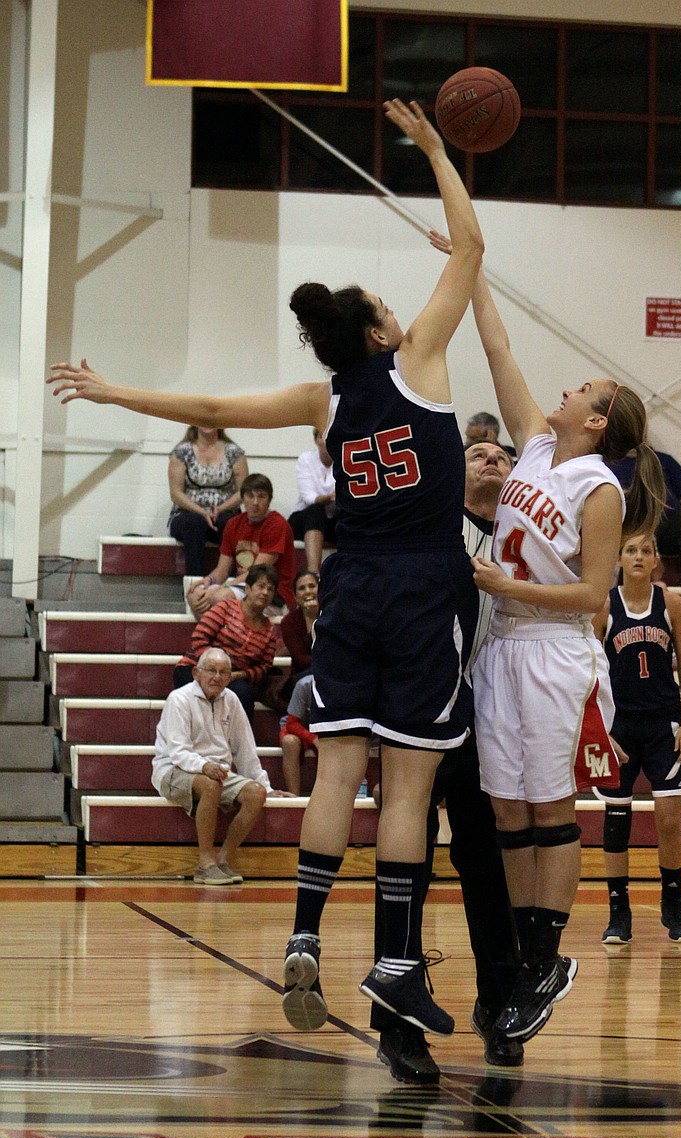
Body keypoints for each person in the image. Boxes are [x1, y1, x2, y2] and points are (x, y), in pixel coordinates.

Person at [48, 96, 485, 1041]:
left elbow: (209, 406)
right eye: (389, 310)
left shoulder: (322, 400)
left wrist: (110, 388)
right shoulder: (421, 362)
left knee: (337, 775)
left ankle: (303, 936)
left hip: (351, 590)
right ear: (381, 333)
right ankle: (395, 965)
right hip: (423, 585)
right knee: (408, 789)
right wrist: (434, 149)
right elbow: (471, 247)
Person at [446, 238, 665, 1046]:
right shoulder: (536, 443)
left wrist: (507, 587)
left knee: (549, 805)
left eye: (582, 389)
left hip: (552, 646)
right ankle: (520, 950)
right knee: (506, 807)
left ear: (598, 420)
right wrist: (468, 267)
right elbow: (497, 345)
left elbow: (593, 595)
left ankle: (545, 954)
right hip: (501, 647)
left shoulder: (600, 489)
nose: (565, 390)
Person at [372, 439, 522, 1083]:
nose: (491, 460)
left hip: (491, 716)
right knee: (409, 866)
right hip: (421, 707)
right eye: (476, 452)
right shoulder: (430, 525)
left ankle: (500, 1005)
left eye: (502, 456)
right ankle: (397, 1023)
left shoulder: (523, 539)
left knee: (489, 868)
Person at [591, 532, 681, 944]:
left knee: (669, 820)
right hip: (619, 728)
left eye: (646, 550)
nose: (638, 556)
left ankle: (673, 903)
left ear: (655, 560)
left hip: (662, 726)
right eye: (631, 550)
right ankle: (619, 911)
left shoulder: (672, 604)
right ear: (618, 558)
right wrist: (600, 729)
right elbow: (590, 670)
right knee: (616, 822)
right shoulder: (604, 605)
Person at [152, 647, 280, 885]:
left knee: (256, 793)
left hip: (216, 773)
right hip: (172, 769)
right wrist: (204, 766)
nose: (217, 677)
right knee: (211, 785)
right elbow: (178, 752)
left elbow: (245, 750)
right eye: (211, 670)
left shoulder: (232, 700)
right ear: (196, 673)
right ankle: (205, 864)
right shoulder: (179, 699)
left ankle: (223, 860)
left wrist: (267, 786)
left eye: (223, 672)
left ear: (230, 678)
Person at [172, 563, 279, 723]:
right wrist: (215, 669)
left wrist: (237, 675)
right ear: (248, 588)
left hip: (233, 678)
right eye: (261, 586)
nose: (265, 592)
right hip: (198, 668)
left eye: (270, 589)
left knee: (244, 693)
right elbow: (199, 637)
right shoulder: (226, 607)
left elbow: (264, 667)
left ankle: (237, 739)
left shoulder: (269, 630)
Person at [185, 473, 296, 620]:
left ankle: (228, 633)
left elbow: (256, 572)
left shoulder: (277, 524)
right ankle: (212, 634)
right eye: (250, 496)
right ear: (242, 499)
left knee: (220, 597)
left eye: (261, 497)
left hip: (272, 591)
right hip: (245, 586)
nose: (255, 502)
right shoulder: (233, 524)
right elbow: (222, 570)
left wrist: (222, 588)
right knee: (194, 595)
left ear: (269, 500)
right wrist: (209, 580)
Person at [610, 449, 681, 586]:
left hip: (664, 526)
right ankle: (624, 589)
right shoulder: (607, 464)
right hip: (628, 528)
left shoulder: (665, 461)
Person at [167, 426, 248, 575]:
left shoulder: (235, 452)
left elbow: (243, 491)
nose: (207, 424)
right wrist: (202, 512)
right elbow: (176, 493)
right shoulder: (181, 452)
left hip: (224, 513)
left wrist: (220, 509)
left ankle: (231, 583)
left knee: (230, 523)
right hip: (188, 515)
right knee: (194, 522)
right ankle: (194, 582)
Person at [288, 429, 337, 571]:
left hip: (333, 519)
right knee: (316, 510)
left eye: (330, 436)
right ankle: (313, 571)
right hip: (304, 518)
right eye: (322, 437)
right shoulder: (306, 459)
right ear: (316, 440)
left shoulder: (344, 460)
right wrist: (331, 497)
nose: (326, 441)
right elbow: (309, 498)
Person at [277, 569, 319, 700]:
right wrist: (310, 616)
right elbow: (302, 660)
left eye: (312, 586)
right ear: (295, 596)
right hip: (301, 677)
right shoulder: (288, 622)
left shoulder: (331, 615)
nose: (308, 591)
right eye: (302, 588)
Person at [279, 673, 317, 796]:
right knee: (289, 742)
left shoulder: (340, 687)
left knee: (333, 744)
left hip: (324, 731)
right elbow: (292, 724)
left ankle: (326, 796)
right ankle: (293, 796)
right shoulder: (304, 684)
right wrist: (314, 739)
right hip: (300, 727)